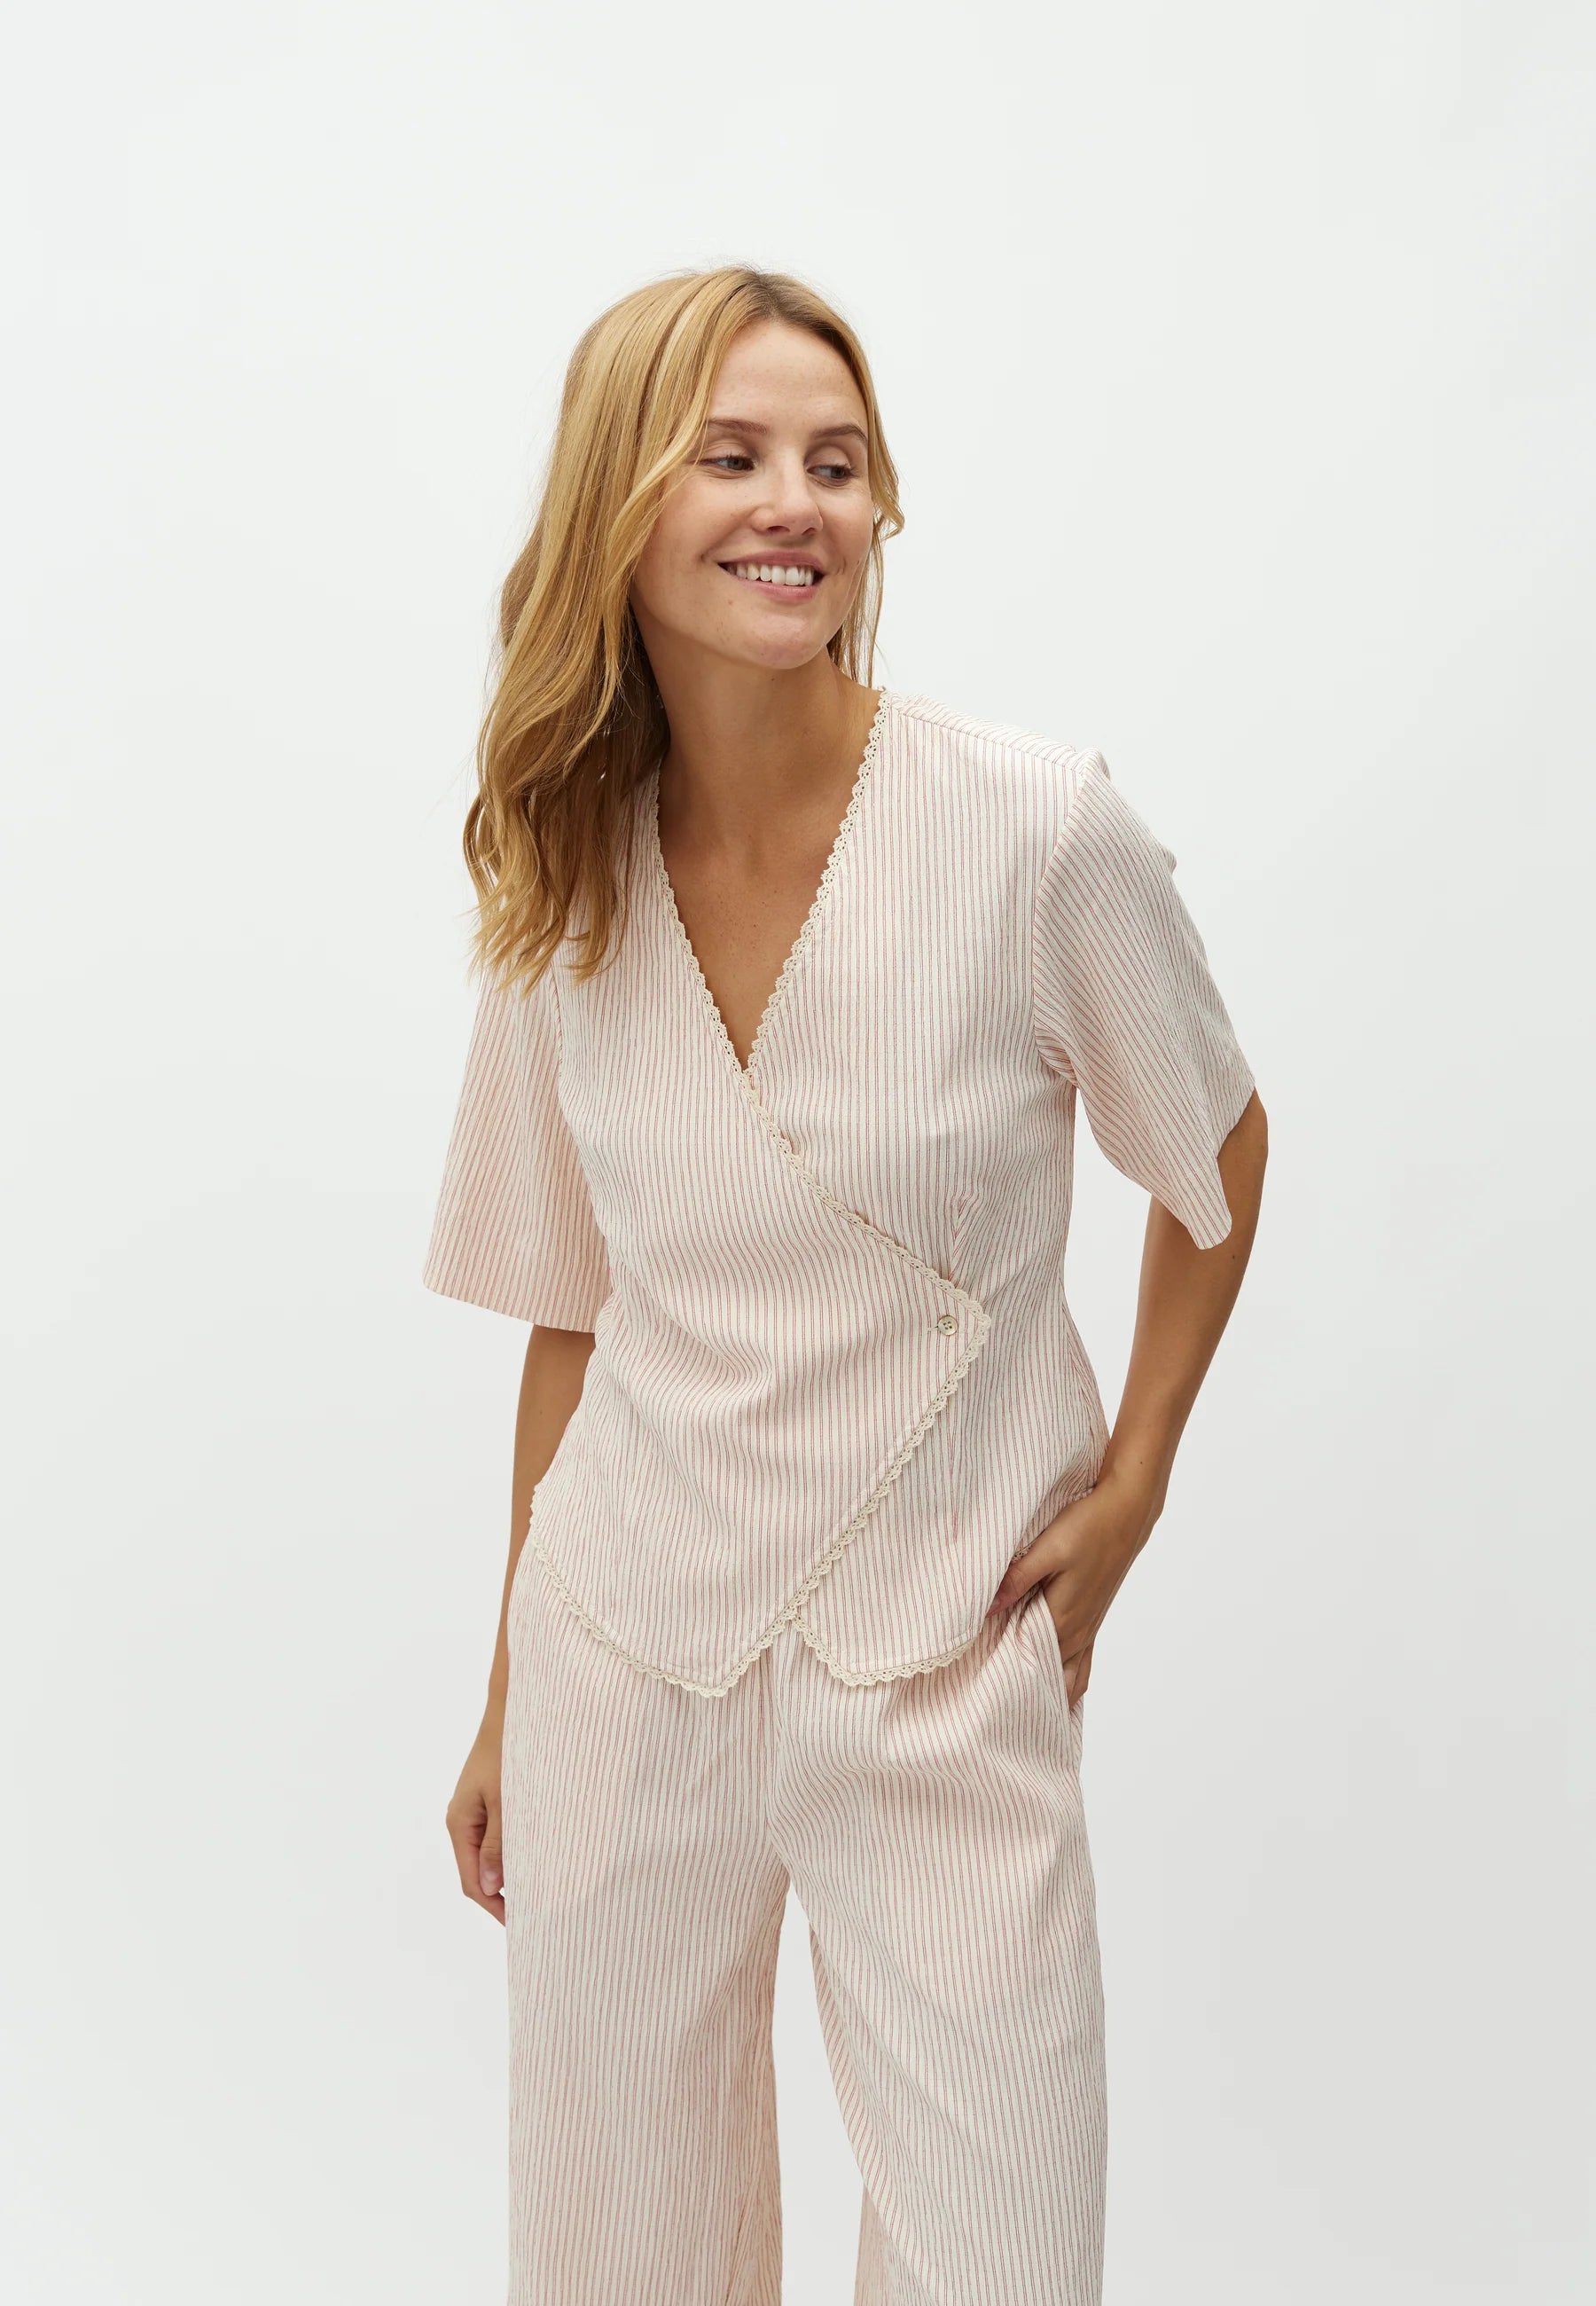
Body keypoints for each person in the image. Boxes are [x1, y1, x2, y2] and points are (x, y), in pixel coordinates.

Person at [423, 264, 1267, 2306]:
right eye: (731, 455)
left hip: (946, 1650)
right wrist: (512, 1686)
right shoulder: (566, 871)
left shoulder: (1034, 829)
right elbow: (570, 1308)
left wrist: (1135, 1485)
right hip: (627, 1653)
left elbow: (1219, 1151)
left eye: (836, 461)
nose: (795, 502)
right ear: (623, 500)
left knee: (1001, 2256)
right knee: (614, 2258)